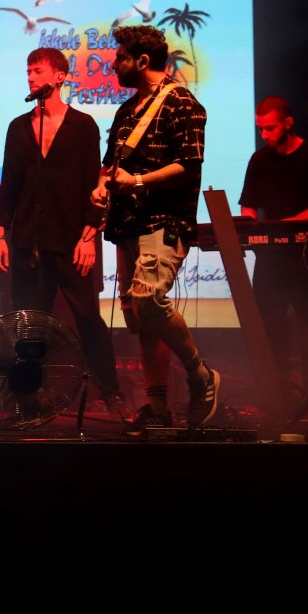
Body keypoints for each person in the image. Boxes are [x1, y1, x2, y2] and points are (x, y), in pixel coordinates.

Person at [92, 26, 219, 434]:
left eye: (120, 57)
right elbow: (109, 165)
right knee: (142, 321)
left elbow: (189, 166)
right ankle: (157, 406)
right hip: (126, 225)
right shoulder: (126, 111)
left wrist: (137, 181)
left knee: (148, 301)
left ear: (142, 61)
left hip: (164, 222)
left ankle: (200, 374)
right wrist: (101, 186)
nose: (113, 64)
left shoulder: (183, 103)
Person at [0, 47, 129, 421]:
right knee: (30, 324)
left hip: (70, 240)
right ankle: (27, 400)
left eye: (37, 71)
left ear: (59, 76)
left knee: (88, 319)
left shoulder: (83, 125)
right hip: (28, 241)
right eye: (28, 71)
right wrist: (0, 234)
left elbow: (92, 184)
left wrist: (88, 236)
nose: (30, 77)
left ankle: (112, 394)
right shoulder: (19, 127)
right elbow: (10, 185)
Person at [238, 96, 308, 396]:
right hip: (270, 261)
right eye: (260, 129)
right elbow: (248, 205)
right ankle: (277, 396)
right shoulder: (259, 160)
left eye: (270, 128)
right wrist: (251, 227)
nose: (265, 135)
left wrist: (278, 227)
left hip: (307, 260)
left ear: (288, 123)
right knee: (269, 329)